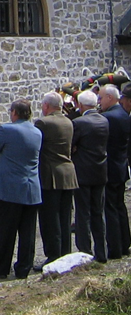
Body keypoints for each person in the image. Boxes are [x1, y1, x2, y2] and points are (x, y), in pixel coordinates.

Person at [0, 98, 42, 280]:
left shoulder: (7, 129)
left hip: (10, 189)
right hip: (31, 188)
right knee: (27, 232)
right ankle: (24, 267)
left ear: (14, 112)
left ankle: (0, 268)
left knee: (6, 232)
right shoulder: (37, 132)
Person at [35, 91, 78, 265]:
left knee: (49, 218)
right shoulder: (69, 122)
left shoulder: (43, 123)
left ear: (46, 106)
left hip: (50, 174)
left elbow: (36, 146)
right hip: (68, 174)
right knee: (65, 217)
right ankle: (65, 252)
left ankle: (53, 255)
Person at [71, 89, 109, 262]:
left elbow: (71, 146)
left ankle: (84, 251)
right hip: (100, 171)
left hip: (82, 172)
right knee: (98, 213)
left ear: (80, 105)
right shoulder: (104, 120)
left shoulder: (79, 123)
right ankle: (101, 252)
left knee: (83, 213)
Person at [99, 84, 131, 258]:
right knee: (120, 206)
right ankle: (125, 243)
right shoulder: (125, 115)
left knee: (110, 208)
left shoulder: (107, 118)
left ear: (109, 98)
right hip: (121, 167)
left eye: (101, 98)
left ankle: (115, 248)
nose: (99, 102)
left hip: (110, 168)